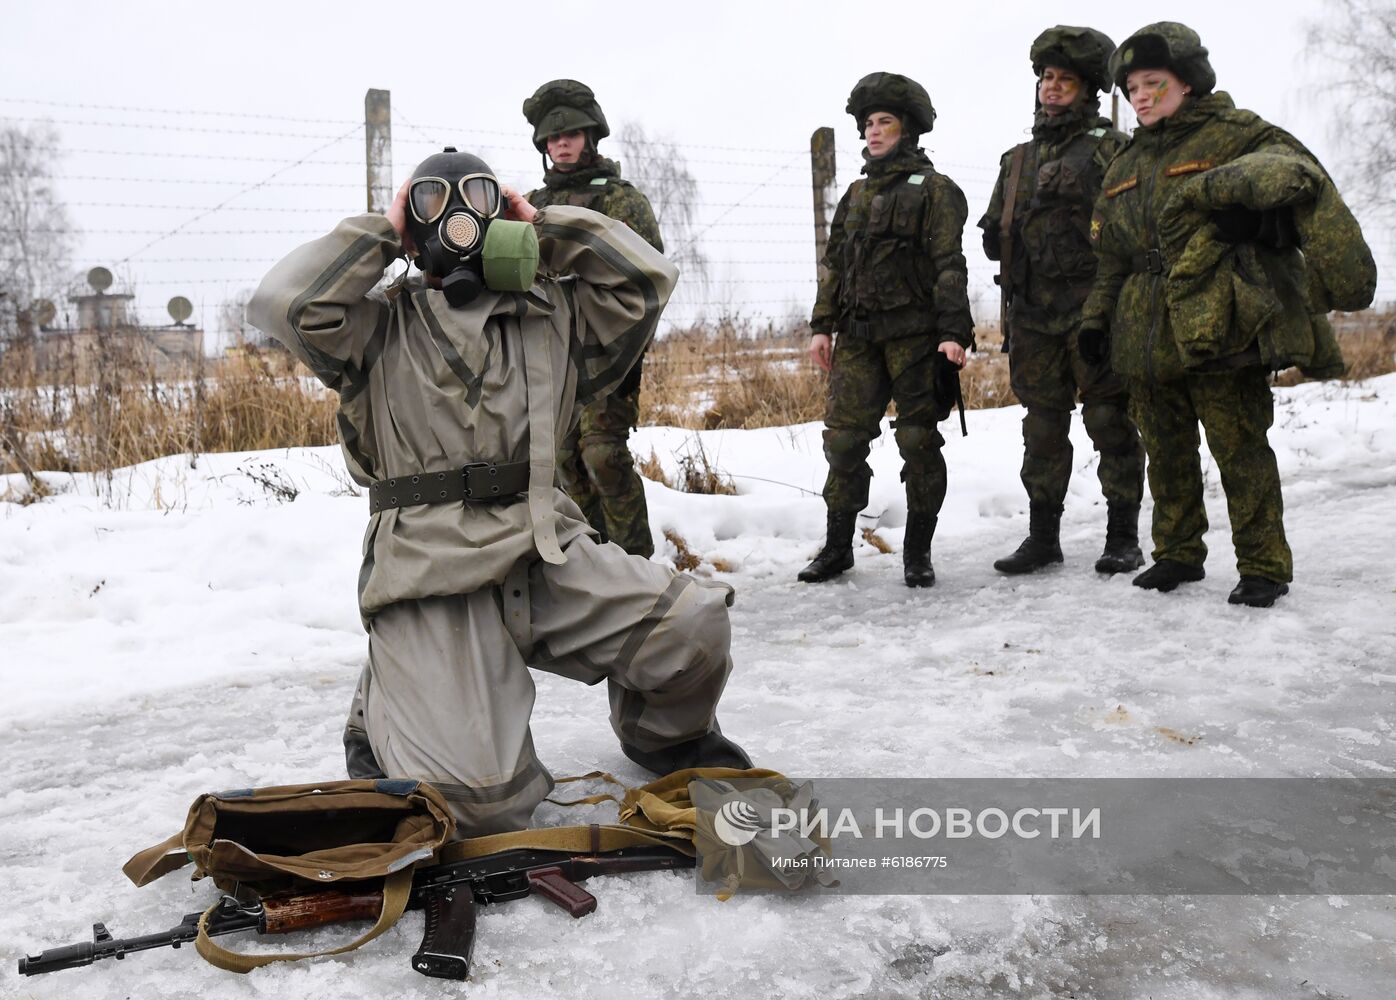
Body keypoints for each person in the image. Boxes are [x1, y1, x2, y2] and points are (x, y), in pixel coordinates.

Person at [247, 148, 751, 837]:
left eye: (477, 199)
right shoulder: (374, 328)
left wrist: (545, 226)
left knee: (692, 626)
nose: (456, 218)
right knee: (483, 807)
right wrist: (383, 233)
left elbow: (644, 281)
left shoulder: (556, 314)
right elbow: (284, 304)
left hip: (543, 547)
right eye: (432, 205)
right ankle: (384, 703)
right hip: (431, 566)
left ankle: (661, 738)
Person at [1081, 22, 1358, 608]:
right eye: (1132, 88)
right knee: (1166, 447)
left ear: (1188, 80)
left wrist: (1262, 223)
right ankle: (1178, 553)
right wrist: (1095, 320)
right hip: (1144, 323)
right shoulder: (1124, 161)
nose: (1142, 97)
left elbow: (1301, 188)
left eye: (1153, 83)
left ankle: (1263, 564)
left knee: (1238, 444)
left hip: (1218, 317)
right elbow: (1111, 257)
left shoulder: (1237, 134)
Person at [980, 26, 1147, 577]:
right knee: (1043, 426)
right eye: (1047, 79)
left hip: (1094, 310)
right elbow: (993, 231)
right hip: (1031, 316)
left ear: (1088, 90)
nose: (1052, 88)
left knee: (1107, 418)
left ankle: (1122, 535)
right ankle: (1042, 537)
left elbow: (1135, 230)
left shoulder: (1112, 150)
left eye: (1065, 80)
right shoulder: (1017, 159)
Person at [803, 72, 974, 588]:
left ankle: (917, 552)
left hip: (916, 338)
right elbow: (835, 265)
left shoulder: (937, 191)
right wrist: (822, 325)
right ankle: (837, 548)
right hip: (857, 338)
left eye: (885, 123)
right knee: (843, 441)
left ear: (909, 129)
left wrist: (954, 332)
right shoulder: (854, 194)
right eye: (869, 124)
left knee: (919, 440)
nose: (874, 132)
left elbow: (949, 263)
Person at [522, 80, 663, 559]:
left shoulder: (622, 200)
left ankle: (639, 568)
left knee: (603, 455)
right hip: (551, 353)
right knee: (564, 462)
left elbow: (647, 280)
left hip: (609, 351)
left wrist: (627, 350)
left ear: (591, 137)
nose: (561, 144)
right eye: (552, 138)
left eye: (571, 135)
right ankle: (598, 563)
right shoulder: (531, 206)